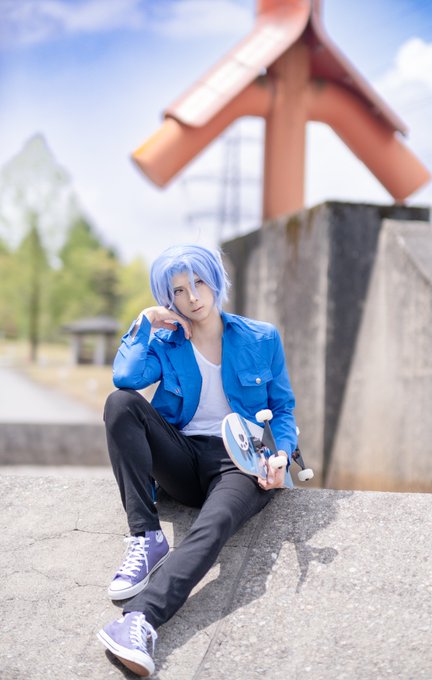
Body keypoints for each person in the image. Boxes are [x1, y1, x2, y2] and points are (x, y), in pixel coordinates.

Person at [97, 243, 298, 677]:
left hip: (240, 460)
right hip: (183, 456)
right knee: (120, 404)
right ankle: (146, 536)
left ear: (215, 281)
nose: (192, 297)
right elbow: (125, 378)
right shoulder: (166, 342)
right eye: (178, 290)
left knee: (215, 523)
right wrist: (145, 321)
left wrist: (281, 454)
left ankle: (138, 620)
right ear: (168, 298)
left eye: (199, 282)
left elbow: (283, 409)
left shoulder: (261, 337)